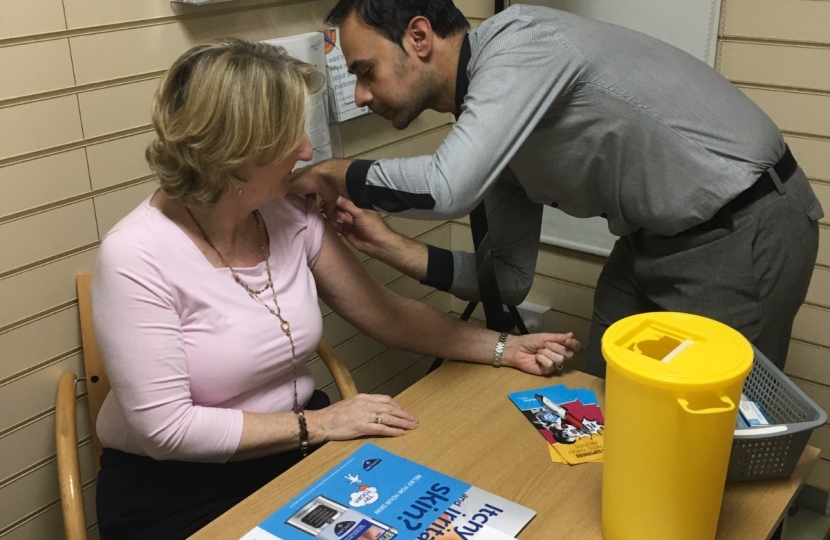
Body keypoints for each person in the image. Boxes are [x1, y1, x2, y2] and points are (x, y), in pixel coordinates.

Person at [91, 38, 580, 540]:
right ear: (233, 152)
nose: (307, 150)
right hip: (178, 490)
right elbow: (169, 430)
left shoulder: (284, 213)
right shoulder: (135, 256)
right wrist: (321, 424)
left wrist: (504, 347)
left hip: (292, 450)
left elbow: (385, 313)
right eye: (289, 135)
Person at [288, 0, 823, 377]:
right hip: (652, 241)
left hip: (744, 222)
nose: (359, 95)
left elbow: (447, 188)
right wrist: (389, 246)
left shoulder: (522, 45)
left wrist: (335, 173)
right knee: (605, 404)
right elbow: (510, 281)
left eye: (366, 71)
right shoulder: (492, 126)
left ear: (419, 37)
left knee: (707, 432)